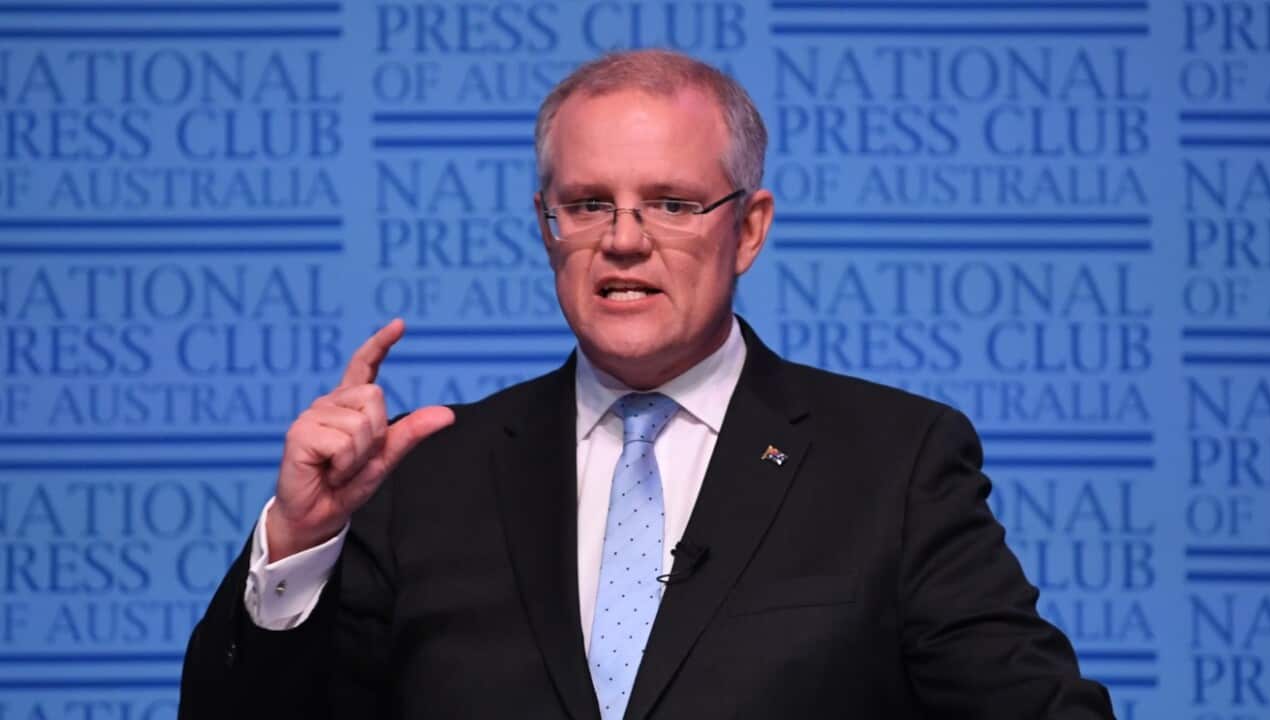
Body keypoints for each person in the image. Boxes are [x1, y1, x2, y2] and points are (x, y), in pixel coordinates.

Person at [179, 49, 1114, 719]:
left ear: (747, 229)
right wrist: (303, 542)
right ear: (547, 226)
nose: (624, 240)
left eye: (671, 203)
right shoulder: (422, 473)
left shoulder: (893, 464)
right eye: (587, 205)